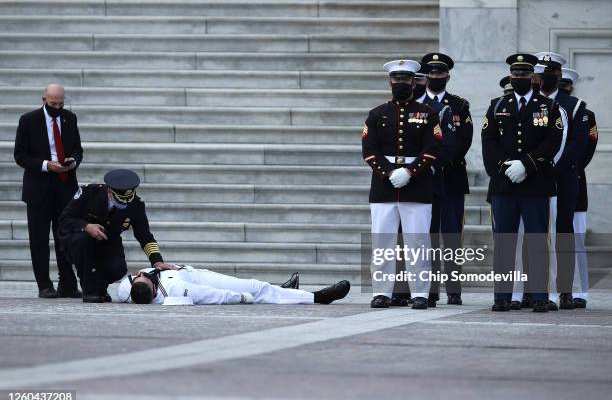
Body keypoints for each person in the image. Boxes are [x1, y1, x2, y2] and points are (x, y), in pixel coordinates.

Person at [481, 53, 563, 312]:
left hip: (535, 184)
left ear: (533, 77)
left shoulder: (548, 107)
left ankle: (539, 296)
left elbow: (552, 142)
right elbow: (489, 142)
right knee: (505, 242)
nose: (519, 78)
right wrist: (506, 167)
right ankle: (502, 296)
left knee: (537, 241)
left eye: (524, 74)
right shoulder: (497, 105)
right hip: (505, 186)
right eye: (515, 74)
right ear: (511, 76)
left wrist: (526, 165)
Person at [362, 59, 442, 309]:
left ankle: (420, 293)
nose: (400, 83)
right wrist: (388, 172)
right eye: (396, 79)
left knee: (417, 242)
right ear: (390, 82)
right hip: (384, 187)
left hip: (416, 186)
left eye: (405, 79)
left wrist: (410, 171)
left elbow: (432, 147)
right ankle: (382, 292)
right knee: (382, 242)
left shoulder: (428, 113)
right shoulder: (377, 114)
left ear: (413, 81)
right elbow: (369, 150)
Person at [13, 84, 83, 299]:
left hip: (65, 186)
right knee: (39, 239)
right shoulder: (28, 120)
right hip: (39, 189)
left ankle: (68, 283)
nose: (57, 107)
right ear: (44, 99)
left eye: (61, 104)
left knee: (65, 236)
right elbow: (20, 156)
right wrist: (46, 165)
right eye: (53, 104)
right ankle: (44, 284)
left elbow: (78, 149)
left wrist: (73, 161)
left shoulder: (69, 118)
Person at [533, 52, 589, 310]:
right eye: (541, 75)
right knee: (537, 236)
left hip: (563, 178)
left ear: (557, 76)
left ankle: (565, 290)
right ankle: (539, 291)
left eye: (550, 75)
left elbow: (579, 142)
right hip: (533, 178)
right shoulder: (529, 103)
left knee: (563, 235)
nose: (545, 80)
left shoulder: (574, 105)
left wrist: (555, 166)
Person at [59, 169, 165, 303]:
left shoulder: (135, 205)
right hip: (79, 238)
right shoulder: (89, 193)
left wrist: (157, 261)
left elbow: (145, 236)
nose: (124, 204)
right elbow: (64, 219)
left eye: (127, 201)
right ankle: (90, 291)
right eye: (121, 200)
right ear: (109, 192)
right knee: (83, 241)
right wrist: (86, 226)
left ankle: (100, 287)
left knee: (118, 269)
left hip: (108, 240)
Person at [419, 53, 473, 307]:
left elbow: (463, 140)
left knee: (452, 235)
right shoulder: (416, 103)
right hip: (425, 179)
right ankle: (429, 289)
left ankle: (454, 289)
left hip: (451, 176)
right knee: (428, 235)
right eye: (432, 72)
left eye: (440, 73)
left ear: (447, 76)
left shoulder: (459, 105)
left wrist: (441, 163)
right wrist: (426, 165)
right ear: (426, 75)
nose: (436, 76)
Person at [559, 67, 598, 308]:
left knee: (576, 240)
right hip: (545, 182)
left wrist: (569, 168)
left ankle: (580, 290)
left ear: (571, 87)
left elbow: (587, 149)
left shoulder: (585, 113)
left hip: (574, 181)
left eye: (564, 85)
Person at [117, 266, 350, 305]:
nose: (140, 275)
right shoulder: (175, 291)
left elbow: (127, 289)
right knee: (255, 289)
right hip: (196, 281)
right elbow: (214, 295)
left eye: (139, 276)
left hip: (192, 272)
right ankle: (317, 297)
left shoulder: (127, 288)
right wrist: (242, 298)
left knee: (256, 287)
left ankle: (284, 290)